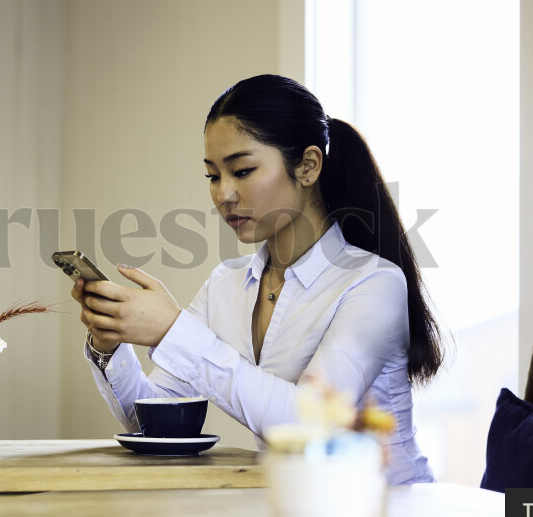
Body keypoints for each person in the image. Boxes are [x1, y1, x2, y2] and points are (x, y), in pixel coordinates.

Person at [71, 74, 443, 484]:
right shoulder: (226, 284)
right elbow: (155, 418)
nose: (222, 195)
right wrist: (110, 346)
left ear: (307, 166)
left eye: (242, 171)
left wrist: (173, 330)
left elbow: (309, 423)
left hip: (391, 512)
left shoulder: (374, 284)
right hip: (294, 511)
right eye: (213, 176)